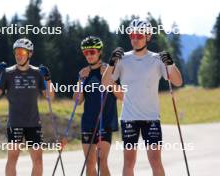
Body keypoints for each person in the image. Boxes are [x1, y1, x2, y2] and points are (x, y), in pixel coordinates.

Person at [102, 18, 183, 176]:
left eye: (139, 35)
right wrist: (111, 64)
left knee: (155, 161)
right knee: (129, 163)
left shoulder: (157, 59)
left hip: (151, 118)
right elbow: (105, 85)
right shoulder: (122, 59)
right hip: (129, 118)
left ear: (148, 37)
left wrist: (171, 64)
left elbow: (178, 81)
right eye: (132, 35)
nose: (135, 39)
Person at [0, 38, 54, 176]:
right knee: (12, 159)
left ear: (30, 54)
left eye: (22, 51)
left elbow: (50, 97)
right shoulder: (7, 73)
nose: (18, 55)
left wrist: (48, 79)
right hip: (15, 123)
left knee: (38, 160)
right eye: (16, 52)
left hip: (34, 123)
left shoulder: (37, 73)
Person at [73, 36, 123, 176]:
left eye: (92, 52)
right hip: (88, 122)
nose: (89, 55)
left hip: (105, 122)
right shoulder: (83, 73)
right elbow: (77, 101)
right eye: (86, 52)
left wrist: (109, 80)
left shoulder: (110, 70)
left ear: (99, 52)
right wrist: (80, 80)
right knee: (89, 162)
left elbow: (122, 96)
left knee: (102, 161)